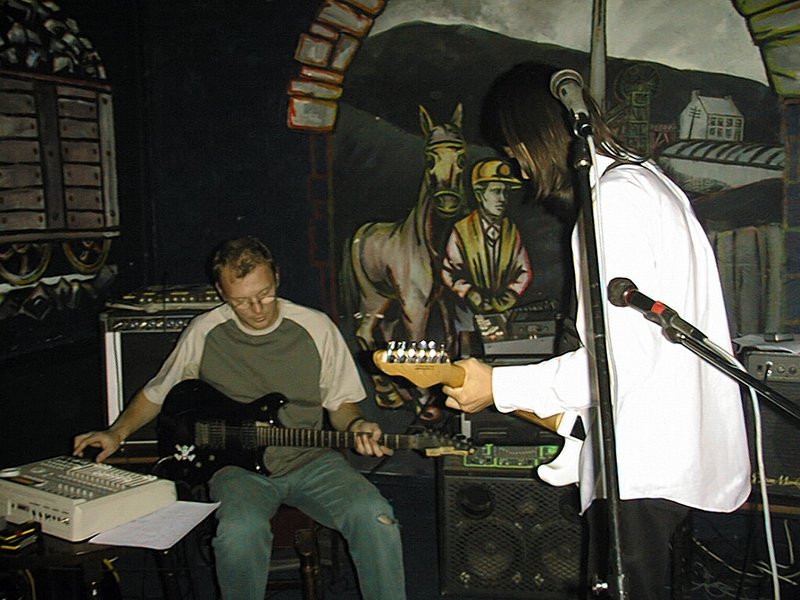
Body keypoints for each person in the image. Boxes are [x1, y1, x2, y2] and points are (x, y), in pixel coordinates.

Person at [442, 62, 750, 600]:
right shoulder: (647, 181)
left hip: (644, 464)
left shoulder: (613, 199)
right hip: (667, 455)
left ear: (536, 134)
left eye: (514, 146)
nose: (514, 163)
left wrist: (499, 386)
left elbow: (620, 361)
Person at [74, 236, 406, 600]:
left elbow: (342, 405)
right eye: (242, 301)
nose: (258, 309)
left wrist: (357, 425)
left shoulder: (316, 327)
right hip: (237, 470)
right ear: (221, 291)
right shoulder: (206, 330)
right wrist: (116, 433)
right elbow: (159, 391)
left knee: (376, 517)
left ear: (277, 276)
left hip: (309, 460)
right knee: (238, 531)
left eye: (265, 294)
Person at [442, 158, 533, 315]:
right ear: (479, 194)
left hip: (503, 314)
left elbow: (523, 271)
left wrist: (511, 294)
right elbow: (449, 271)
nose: (503, 199)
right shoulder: (462, 230)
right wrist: (469, 293)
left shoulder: (511, 231)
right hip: (466, 313)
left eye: (506, 192)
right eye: (496, 191)